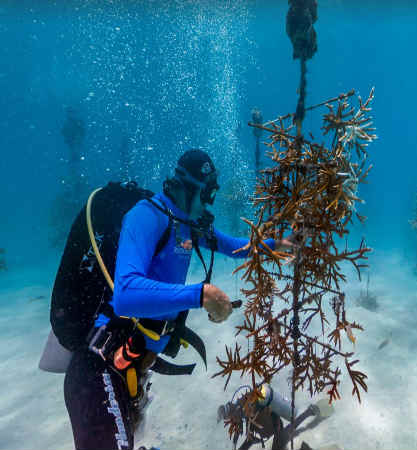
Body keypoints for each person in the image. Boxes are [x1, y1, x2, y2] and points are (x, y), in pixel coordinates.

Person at [63, 149, 295, 450]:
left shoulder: (187, 225)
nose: (210, 203)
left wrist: (279, 244)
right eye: (208, 193)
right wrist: (201, 294)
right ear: (191, 188)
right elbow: (125, 294)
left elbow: (237, 247)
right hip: (98, 368)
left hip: (131, 371)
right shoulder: (147, 216)